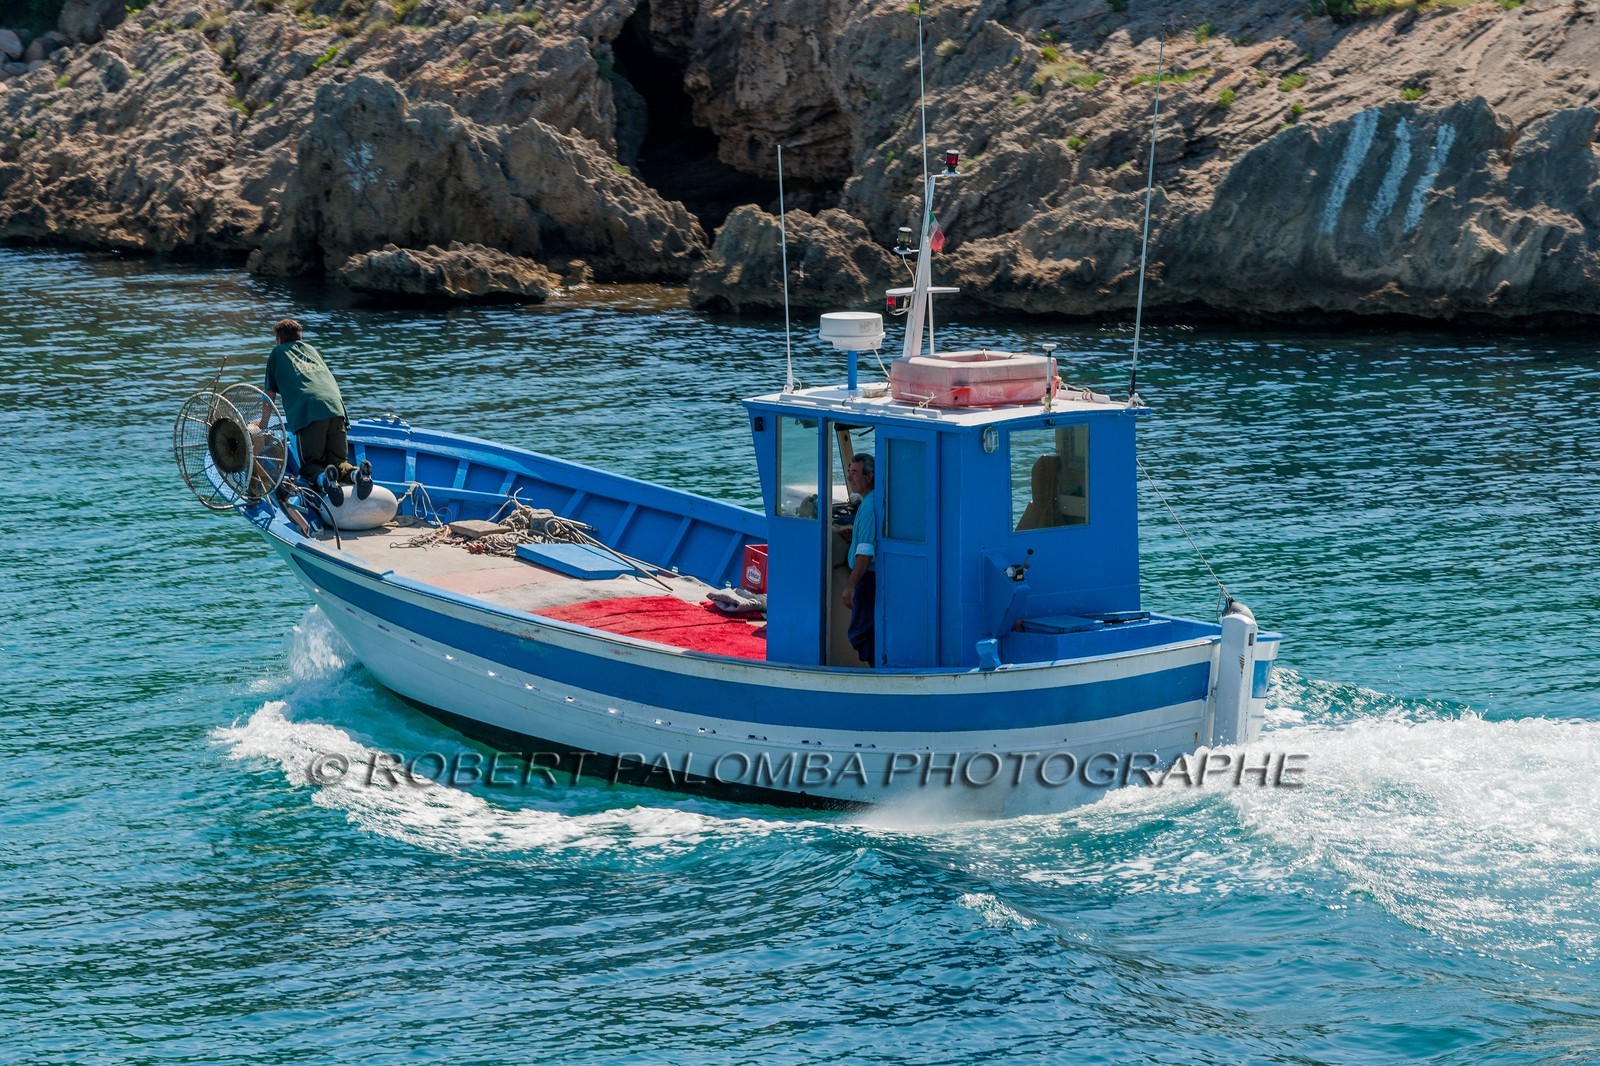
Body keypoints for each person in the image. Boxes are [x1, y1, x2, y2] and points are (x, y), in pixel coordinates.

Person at [261, 317, 370, 505]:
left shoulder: (277, 353)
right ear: (299, 337)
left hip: (309, 412)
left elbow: (269, 394)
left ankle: (325, 480)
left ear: (279, 339)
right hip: (336, 409)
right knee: (339, 461)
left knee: (311, 465)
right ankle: (357, 474)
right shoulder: (311, 350)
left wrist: (263, 424)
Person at [841, 452, 877, 667]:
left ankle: (877, 676)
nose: (849, 477)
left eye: (854, 472)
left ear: (869, 476)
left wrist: (851, 587)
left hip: (867, 580)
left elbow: (865, 554)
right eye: (849, 472)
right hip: (867, 578)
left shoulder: (869, 508)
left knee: (861, 633)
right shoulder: (868, 503)